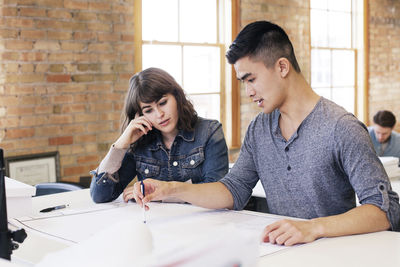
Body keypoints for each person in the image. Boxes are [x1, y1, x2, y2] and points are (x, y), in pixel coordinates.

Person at [131, 21, 400, 246]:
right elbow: (232, 191)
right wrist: (170, 189)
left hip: (334, 254)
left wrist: (313, 228)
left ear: (282, 67)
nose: (248, 91)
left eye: (251, 79)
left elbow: (385, 210)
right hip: (283, 252)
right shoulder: (259, 129)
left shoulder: (341, 127)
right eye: (243, 82)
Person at [90, 67, 229, 203]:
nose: (159, 114)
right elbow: (100, 195)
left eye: (163, 103)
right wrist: (120, 145)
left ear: (177, 97)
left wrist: (161, 194)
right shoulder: (141, 142)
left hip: (205, 223)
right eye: (148, 110)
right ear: (140, 115)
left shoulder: (210, 132)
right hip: (155, 223)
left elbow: (217, 195)